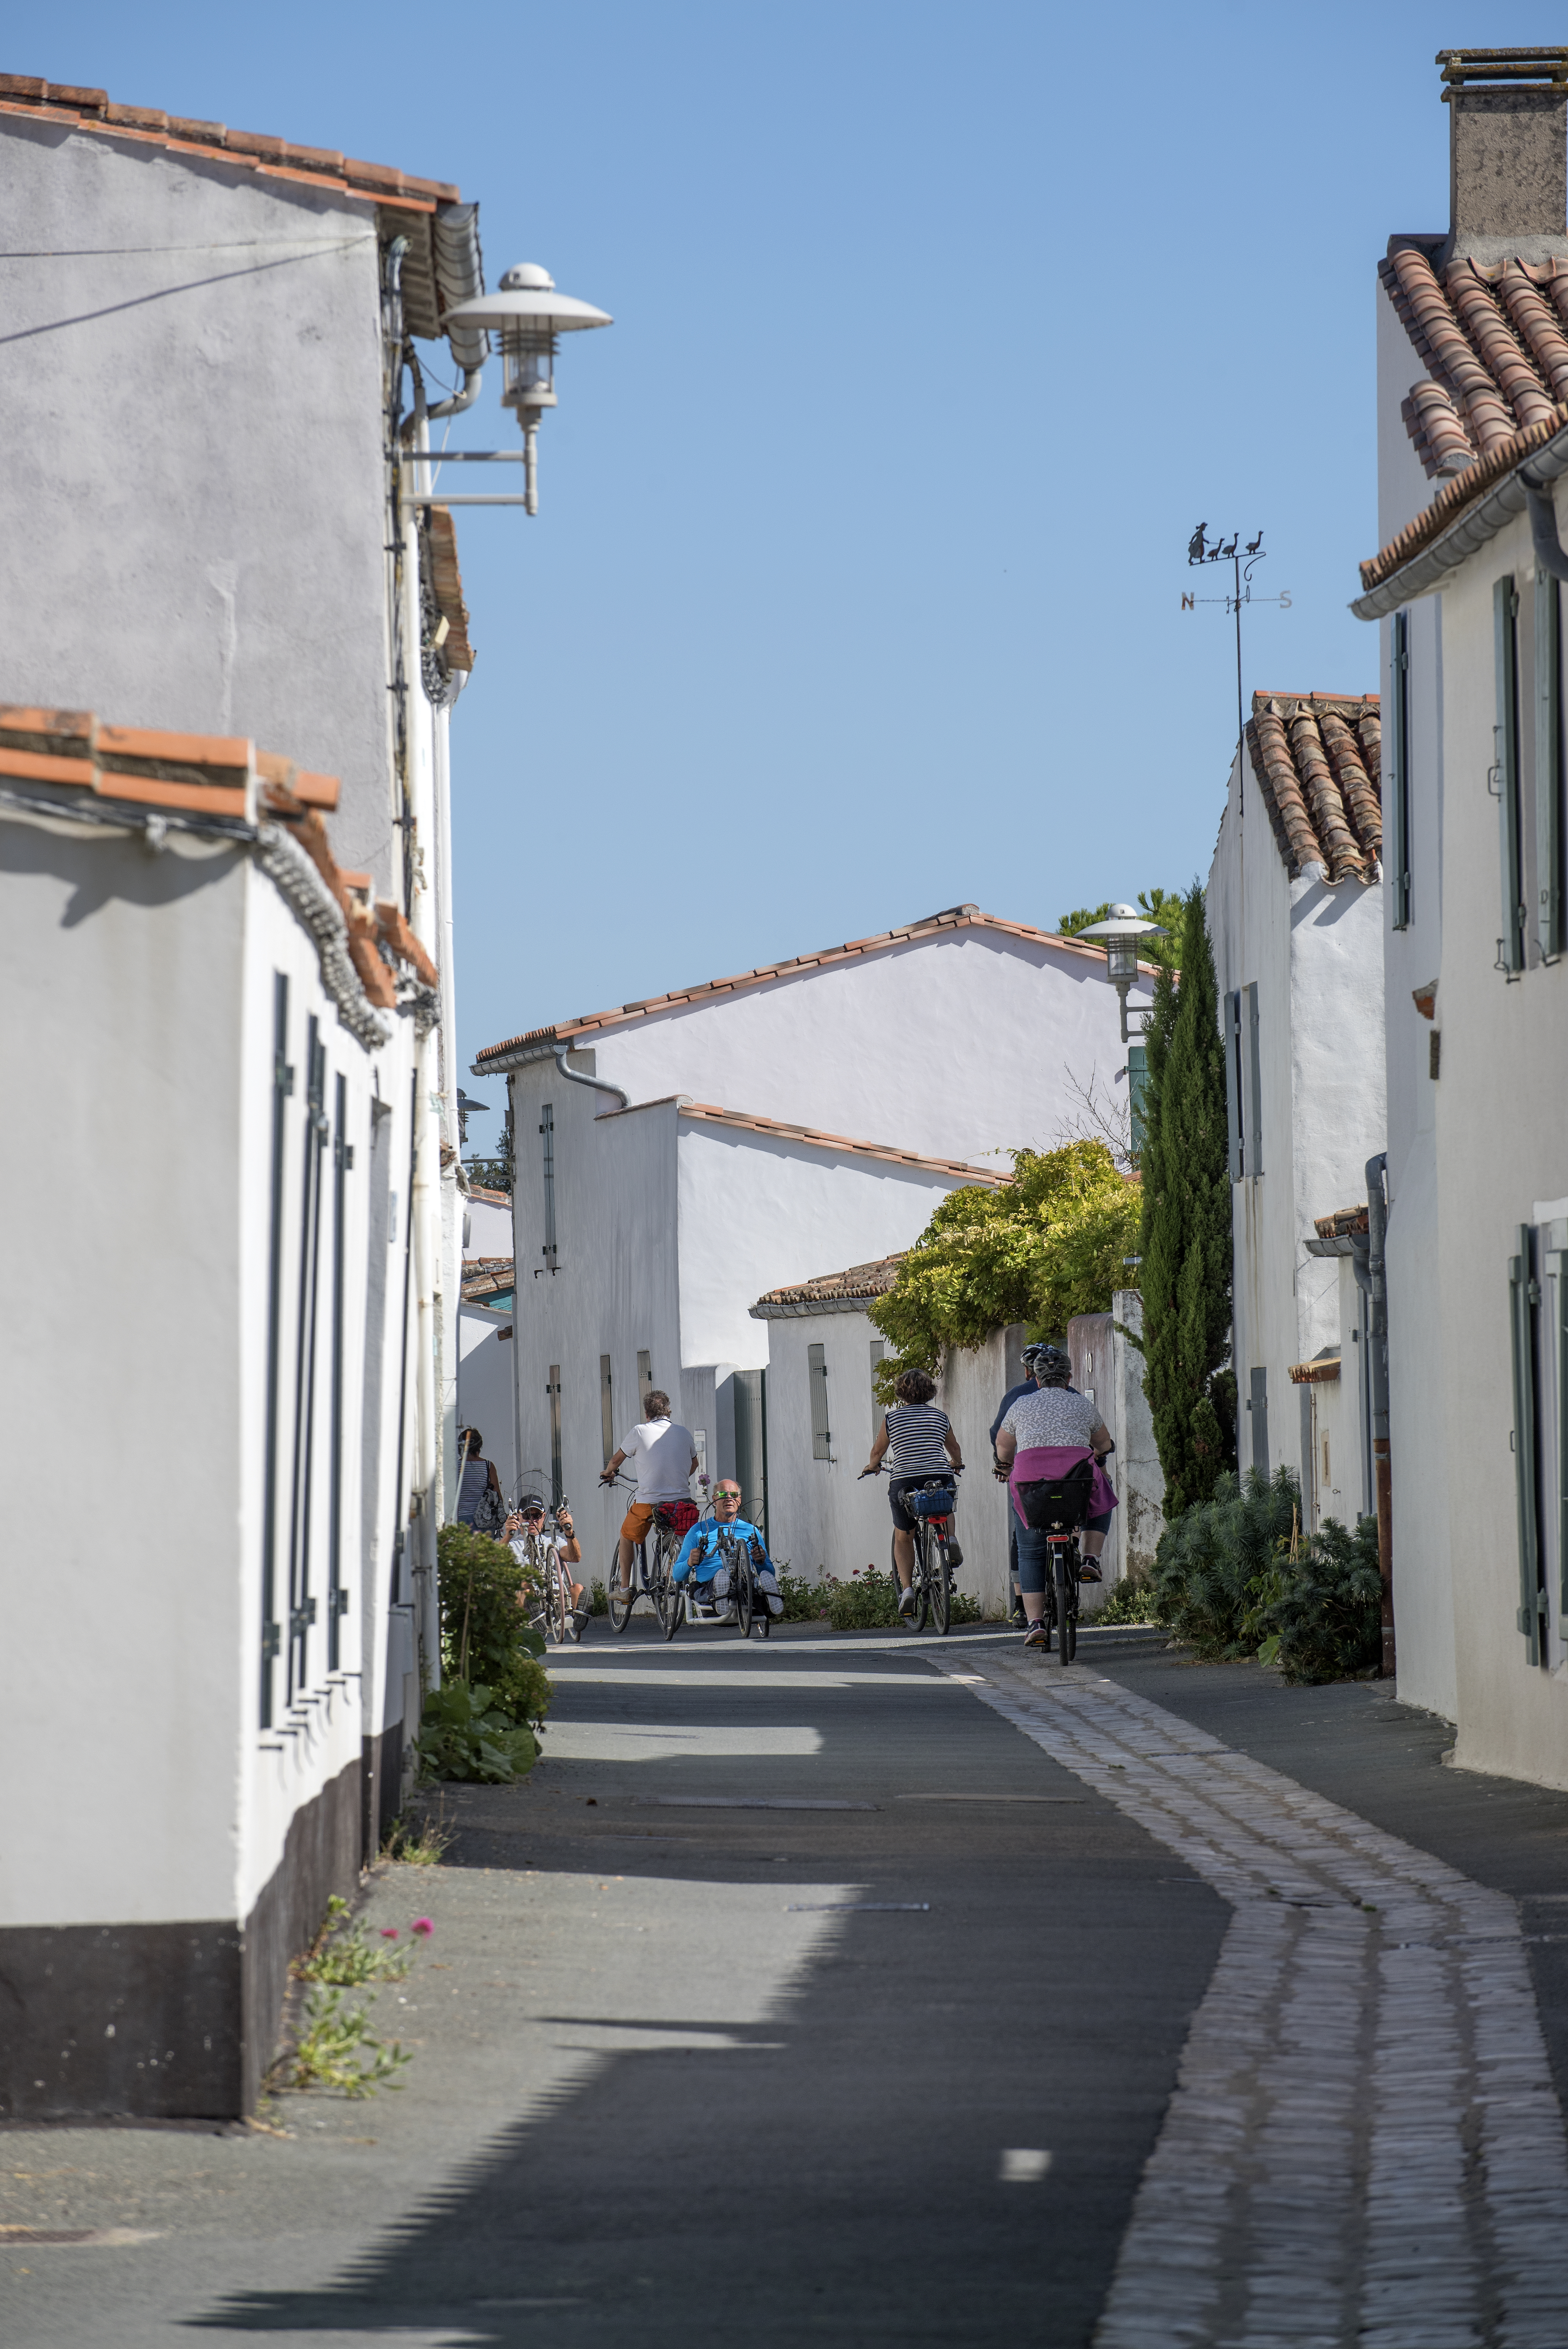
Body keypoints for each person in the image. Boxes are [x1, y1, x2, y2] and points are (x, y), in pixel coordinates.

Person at [993, 1350, 1117, 1649]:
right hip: (1074, 1483)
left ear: (1036, 1379)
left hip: (1032, 1486)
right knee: (1102, 1494)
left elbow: (1003, 1446)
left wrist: (1005, 1465)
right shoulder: (1081, 1404)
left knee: (1031, 1550)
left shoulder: (1021, 1404)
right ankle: (1090, 1557)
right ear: (1070, 1378)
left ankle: (1035, 1623)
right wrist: (1104, 1450)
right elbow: (1102, 1443)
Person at [861, 1368, 964, 1617]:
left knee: (904, 1537)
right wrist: (956, 1463)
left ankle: (907, 1590)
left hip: (905, 1480)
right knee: (944, 1502)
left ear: (901, 1392)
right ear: (930, 1391)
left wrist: (872, 1466)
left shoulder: (892, 1419)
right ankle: (949, 1540)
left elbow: (878, 1451)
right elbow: (954, 1449)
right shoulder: (940, 1416)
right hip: (938, 1474)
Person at [599, 1390, 700, 1600]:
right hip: (682, 1502)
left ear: (647, 1414)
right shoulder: (684, 1432)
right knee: (685, 1533)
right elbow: (694, 1464)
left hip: (650, 1503)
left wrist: (608, 1473)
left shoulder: (639, 1431)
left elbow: (617, 1461)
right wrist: (678, 1478)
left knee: (626, 1536)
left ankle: (625, 1589)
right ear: (668, 1411)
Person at [673, 1479, 777, 1615]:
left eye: (734, 1495)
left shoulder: (751, 1530)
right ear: (714, 1499)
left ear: (739, 1499)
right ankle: (721, 1594)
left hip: (743, 1588)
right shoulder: (698, 1531)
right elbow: (677, 1575)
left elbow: (770, 1573)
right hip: (710, 1588)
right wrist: (689, 1562)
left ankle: (769, 1600)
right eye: (723, 1494)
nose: (729, 1498)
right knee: (718, 1582)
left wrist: (761, 1562)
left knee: (747, 1586)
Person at [504, 1494, 586, 1639]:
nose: (532, 1521)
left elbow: (575, 1557)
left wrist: (569, 1532)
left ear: (543, 1516)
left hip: (555, 1595)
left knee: (578, 1589)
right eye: (527, 1516)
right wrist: (508, 1536)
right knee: (525, 1587)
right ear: (518, 1517)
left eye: (537, 1516)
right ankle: (533, 1618)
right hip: (526, 1596)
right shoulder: (510, 1545)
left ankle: (579, 1617)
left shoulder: (554, 1541)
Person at [454, 1428, 504, 1533]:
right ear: (479, 1446)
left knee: (465, 1550)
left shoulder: (455, 1467)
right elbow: (497, 1495)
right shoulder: (488, 1466)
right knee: (484, 1550)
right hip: (485, 1519)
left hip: (461, 1519)